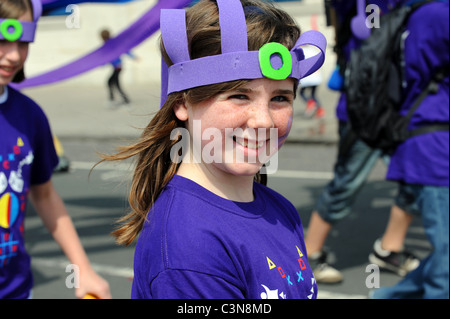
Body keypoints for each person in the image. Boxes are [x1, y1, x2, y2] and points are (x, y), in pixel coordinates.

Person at [101, 0, 326, 299]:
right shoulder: (190, 247)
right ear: (182, 103)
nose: (263, 121)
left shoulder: (280, 209)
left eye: (281, 98)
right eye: (239, 95)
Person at [0, 0, 111, 299]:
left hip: (15, 290)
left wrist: (83, 268)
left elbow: (45, 195)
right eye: (2, 40)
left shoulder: (30, 116)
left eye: (23, 42)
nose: (13, 55)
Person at [305, 0, 420, 284]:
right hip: (362, 112)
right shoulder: (352, 5)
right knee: (346, 184)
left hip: (400, 111)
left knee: (417, 180)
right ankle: (309, 254)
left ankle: (390, 249)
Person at [371, 0, 449, 299]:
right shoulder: (439, 13)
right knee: (446, 261)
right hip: (435, 145)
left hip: (425, 139)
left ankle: (386, 296)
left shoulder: (418, 13)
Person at [100, 29, 137, 108]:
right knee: (110, 82)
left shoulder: (110, 44)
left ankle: (126, 100)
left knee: (116, 84)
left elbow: (123, 51)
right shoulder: (109, 44)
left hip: (118, 67)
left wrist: (133, 57)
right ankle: (112, 99)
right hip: (116, 67)